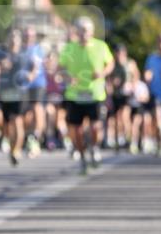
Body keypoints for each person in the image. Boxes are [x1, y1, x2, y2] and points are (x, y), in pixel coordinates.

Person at [58, 16, 114, 174]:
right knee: (77, 130)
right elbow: (60, 68)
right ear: (76, 32)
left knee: (95, 127)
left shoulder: (101, 46)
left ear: (92, 32)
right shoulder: (69, 48)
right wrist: (68, 77)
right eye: (81, 30)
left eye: (86, 30)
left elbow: (110, 63)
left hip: (95, 94)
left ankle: (94, 147)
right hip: (75, 95)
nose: (83, 33)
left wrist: (102, 73)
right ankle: (82, 156)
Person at [0, 28, 27, 165]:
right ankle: (10, 145)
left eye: (16, 37)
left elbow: (33, 69)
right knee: (7, 123)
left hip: (19, 93)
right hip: (5, 92)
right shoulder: (1, 54)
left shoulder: (24, 55)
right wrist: (0, 67)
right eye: (11, 37)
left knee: (17, 121)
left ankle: (16, 150)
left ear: (20, 40)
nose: (13, 40)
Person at [21, 26, 46, 156]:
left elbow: (37, 65)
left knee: (37, 107)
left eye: (31, 35)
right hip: (23, 85)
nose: (28, 37)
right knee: (25, 113)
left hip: (37, 83)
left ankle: (37, 135)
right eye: (26, 35)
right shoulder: (20, 49)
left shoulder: (37, 49)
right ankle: (29, 136)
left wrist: (32, 74)